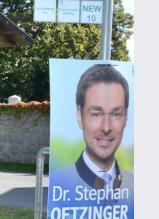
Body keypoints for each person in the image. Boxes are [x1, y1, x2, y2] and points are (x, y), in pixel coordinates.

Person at [54, 63, 133, 196]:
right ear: (80, 115)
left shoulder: (134, 186)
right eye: (96, 114)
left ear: (125, 117)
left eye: (116, 114)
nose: (106, 127)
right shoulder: (60, 183)